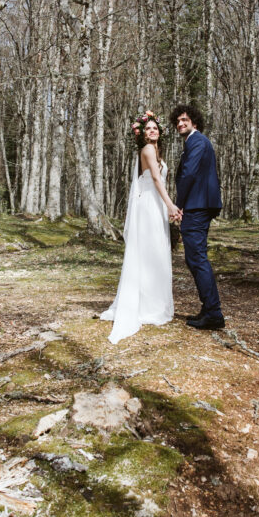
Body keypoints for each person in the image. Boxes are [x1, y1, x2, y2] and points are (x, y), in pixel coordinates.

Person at [101, 112, 178, 344]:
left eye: (155, 128)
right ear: (142, 134)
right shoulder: (147, 150)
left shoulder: (156, 151)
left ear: (160, 132)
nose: (152, 131)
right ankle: (145, 307)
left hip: (155, 205)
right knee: (149, 252)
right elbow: (155, 179)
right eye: (148, 129)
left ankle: (152, 303)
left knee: (156, 252)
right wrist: (171, 205)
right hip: (149, 207)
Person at [171, 105, 224, 330]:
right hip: (199, 205)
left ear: (194, 121)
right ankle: (209, 309)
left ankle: (213, 313)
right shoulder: (193, 142)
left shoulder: (197, 141)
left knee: (197, 258)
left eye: (184, 120)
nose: (181, 124)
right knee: (195, 258)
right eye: (178, 121)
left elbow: (189, 173)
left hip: (197, 205)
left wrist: (178, 205)